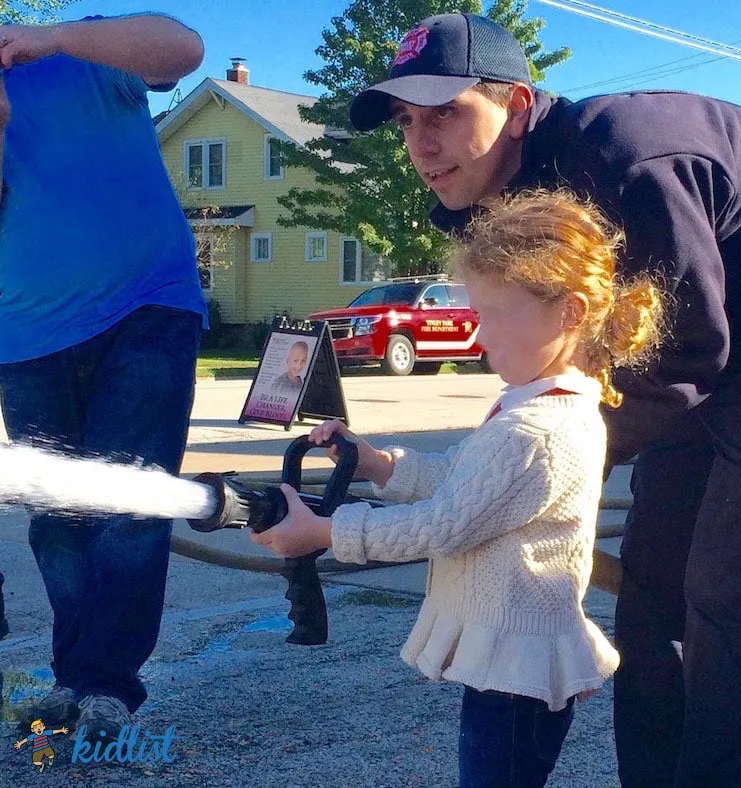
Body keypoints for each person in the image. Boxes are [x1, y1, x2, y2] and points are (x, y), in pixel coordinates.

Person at [346, 13, 741, 787]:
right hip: (698, 336)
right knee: (657, 585)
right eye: (407, 121)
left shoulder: (624, 158)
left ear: (514, 105)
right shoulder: (487, 196)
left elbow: (681, 358)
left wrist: (537, 453)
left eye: (444, 112)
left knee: (739, 586)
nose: (420, 142)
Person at [251, 189, 663, 788]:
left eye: (494, 314)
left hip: (517, 670)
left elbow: (442, 524)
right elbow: (463, 481)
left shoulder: (539, 429)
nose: (476, 335)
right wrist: (377, 464)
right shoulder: (537, 403)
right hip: (508, 658)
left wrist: (325, 532)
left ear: (570, 313)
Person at [0, 14, 206, 742]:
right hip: (24, 333)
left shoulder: (82, 44)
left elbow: (184, 49)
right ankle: (74, 678)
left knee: (127, 504)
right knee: (58, 517)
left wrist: (52, 40)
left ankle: (107, 685)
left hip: (147, 304)